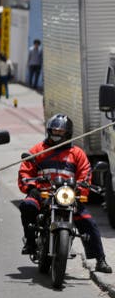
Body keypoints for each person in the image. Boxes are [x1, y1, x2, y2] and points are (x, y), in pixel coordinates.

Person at [17, 113, 112, 273]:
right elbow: (25, 171)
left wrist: (81, 190)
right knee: (27, 205)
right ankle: (31, 242)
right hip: (43, 193)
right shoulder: (38, 150)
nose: (56, 134)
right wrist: (31, 185)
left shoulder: (77, 153)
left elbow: (86, 174)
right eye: (54, 131)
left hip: (68, 195)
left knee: (88, 222)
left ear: (67, 133)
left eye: (60, 132)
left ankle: (100, 260)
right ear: (48, 131)